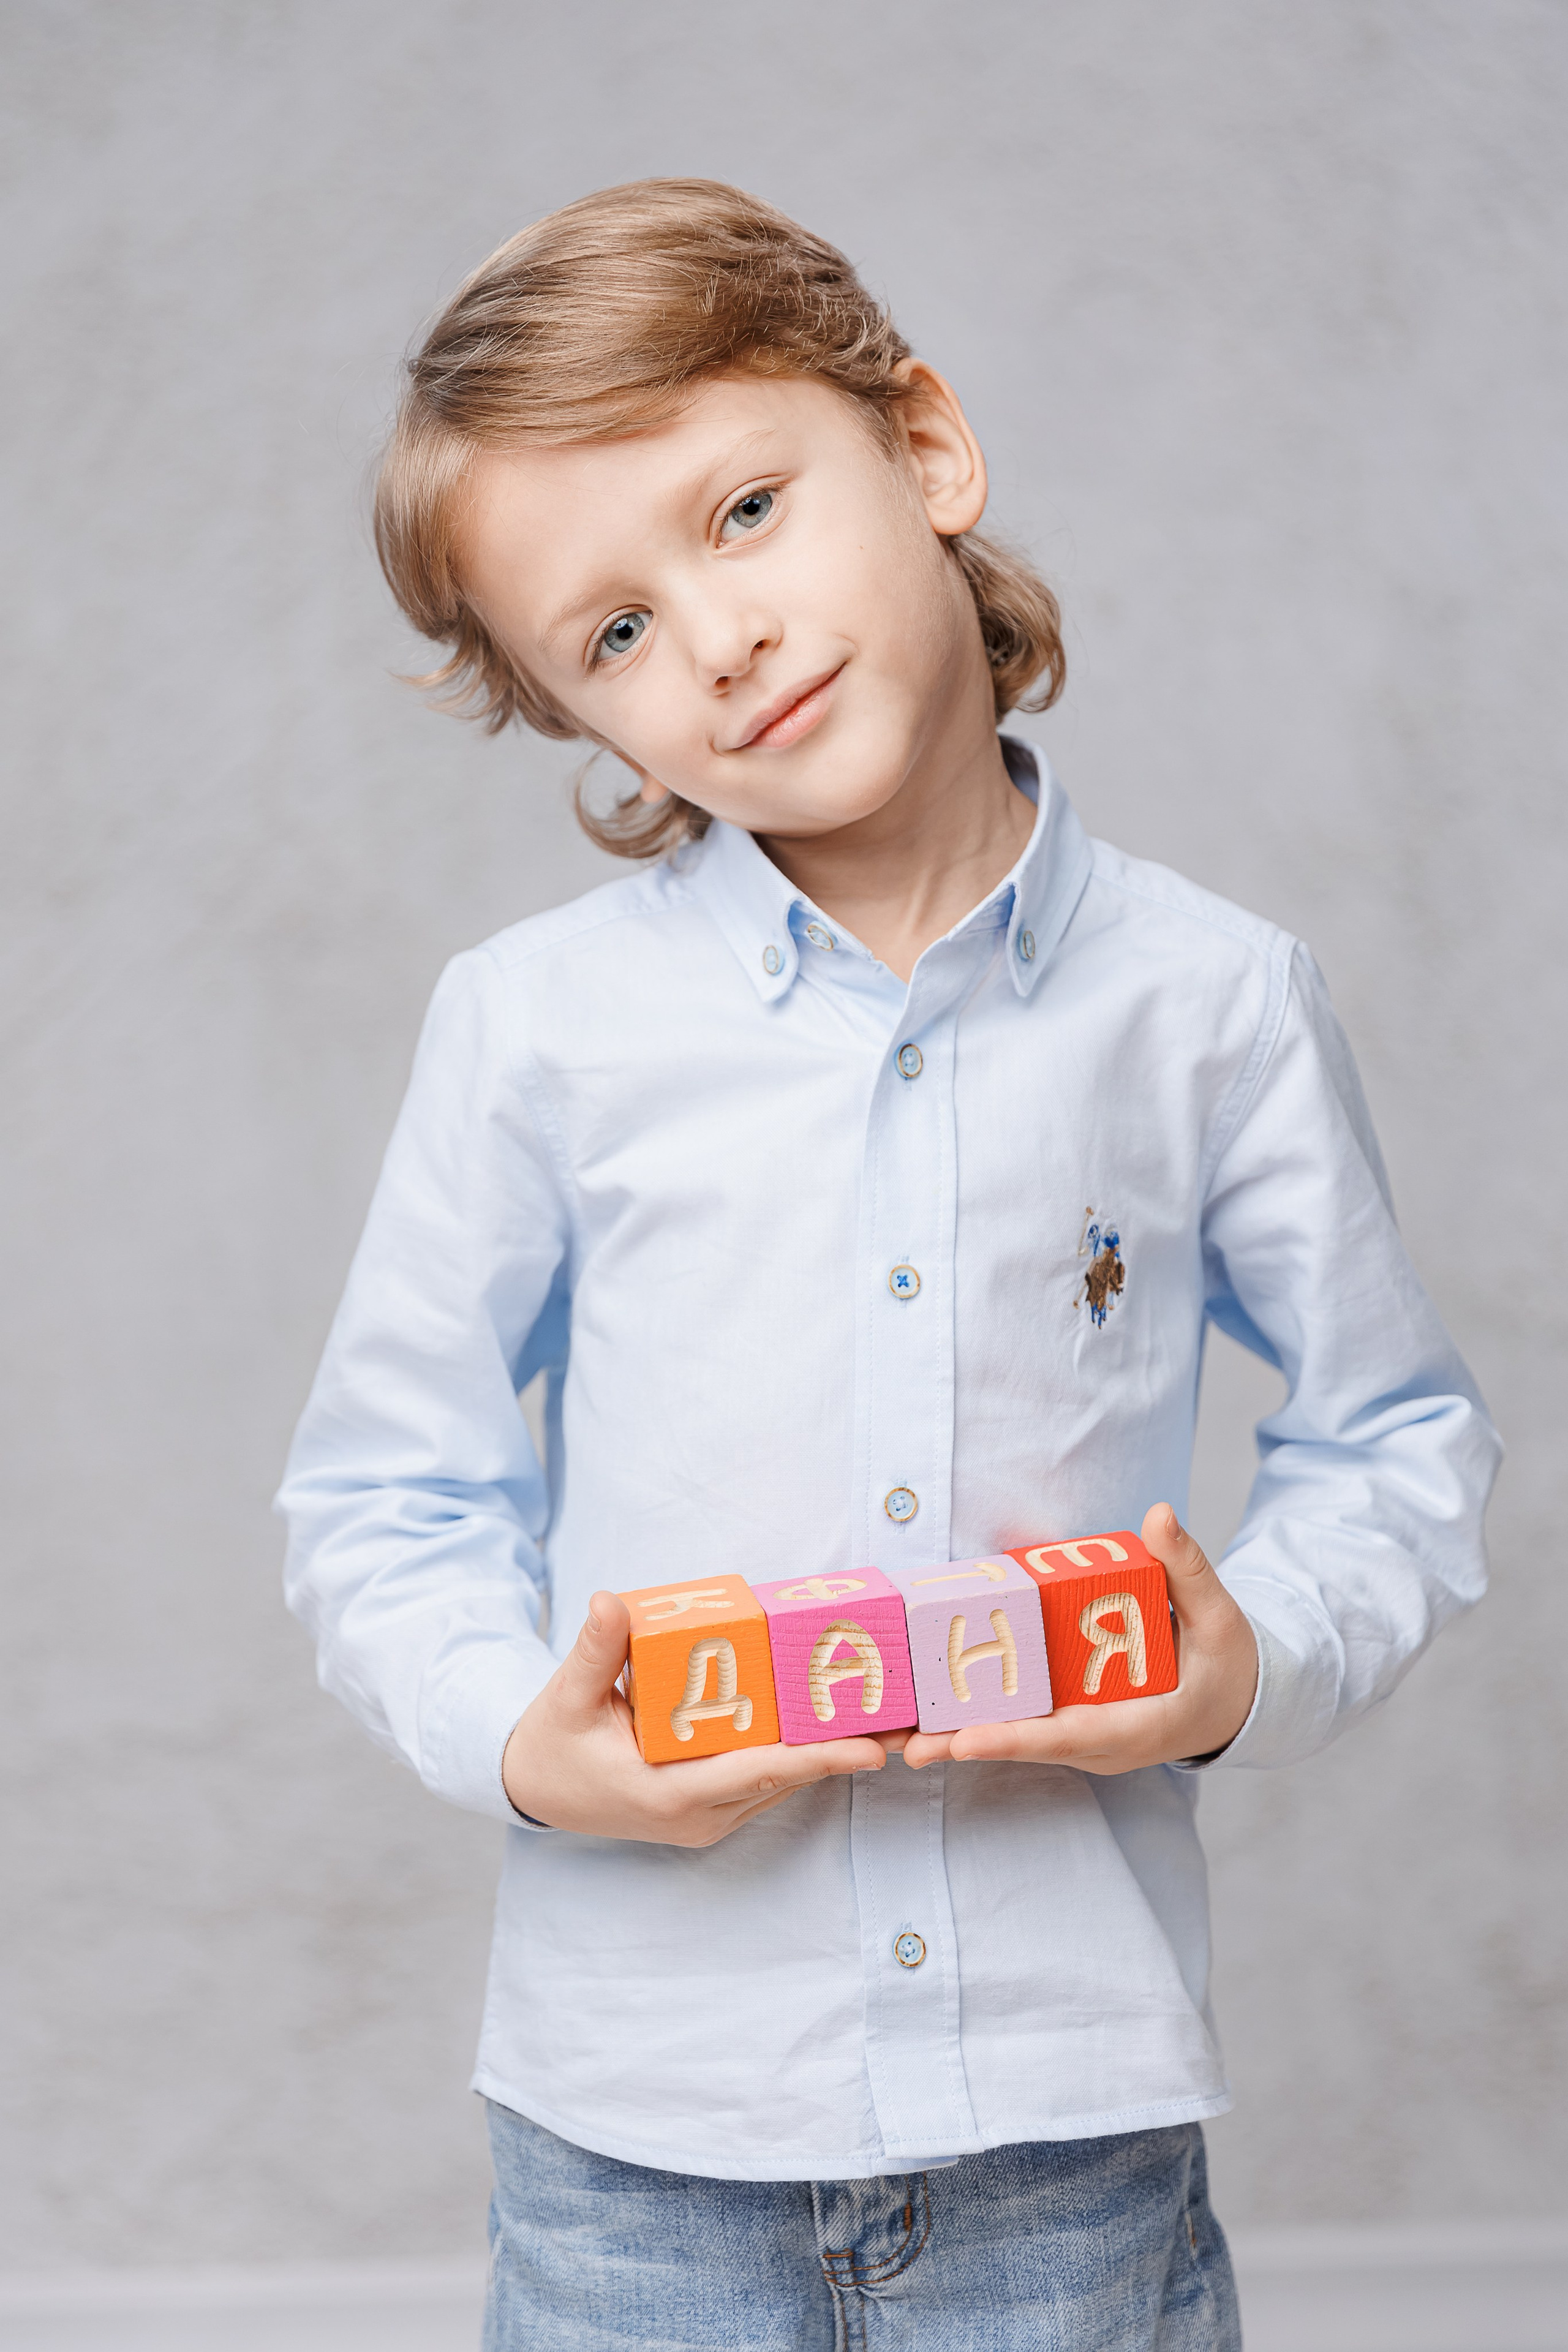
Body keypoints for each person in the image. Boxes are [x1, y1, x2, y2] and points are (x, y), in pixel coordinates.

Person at [278, 179, 1499, 2350]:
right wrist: (521, 1743)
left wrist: (1250, 1663)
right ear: (582, 721)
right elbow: (384, 1497)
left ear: (923, 446)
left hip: (1071, 2124)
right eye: (616, 635)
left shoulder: (1215, 1004)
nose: (719, 638)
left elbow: (1395, 1441)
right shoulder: (537, 1029)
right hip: (634, 2136)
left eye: (744, 510)